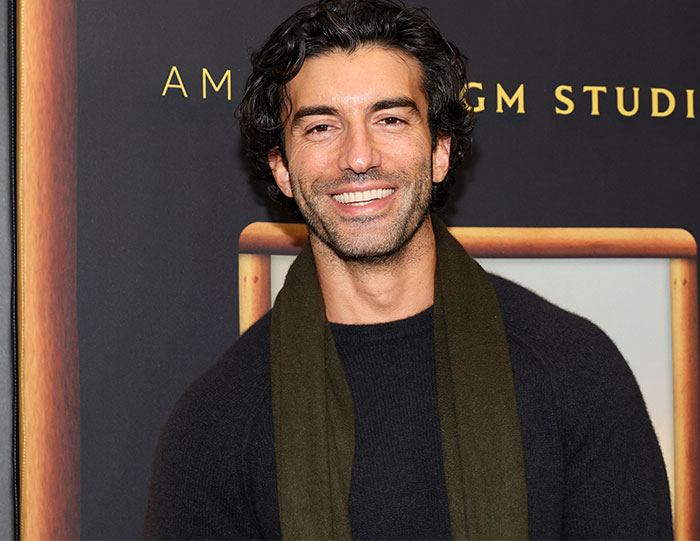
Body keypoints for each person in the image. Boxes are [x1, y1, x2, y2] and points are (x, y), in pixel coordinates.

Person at [144, 1, 673, 539]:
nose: (358, 156)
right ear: (281, 168)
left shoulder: (576, 373)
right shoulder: (215, 427)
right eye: (322, 127)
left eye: (390, 119)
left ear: (440, 150)